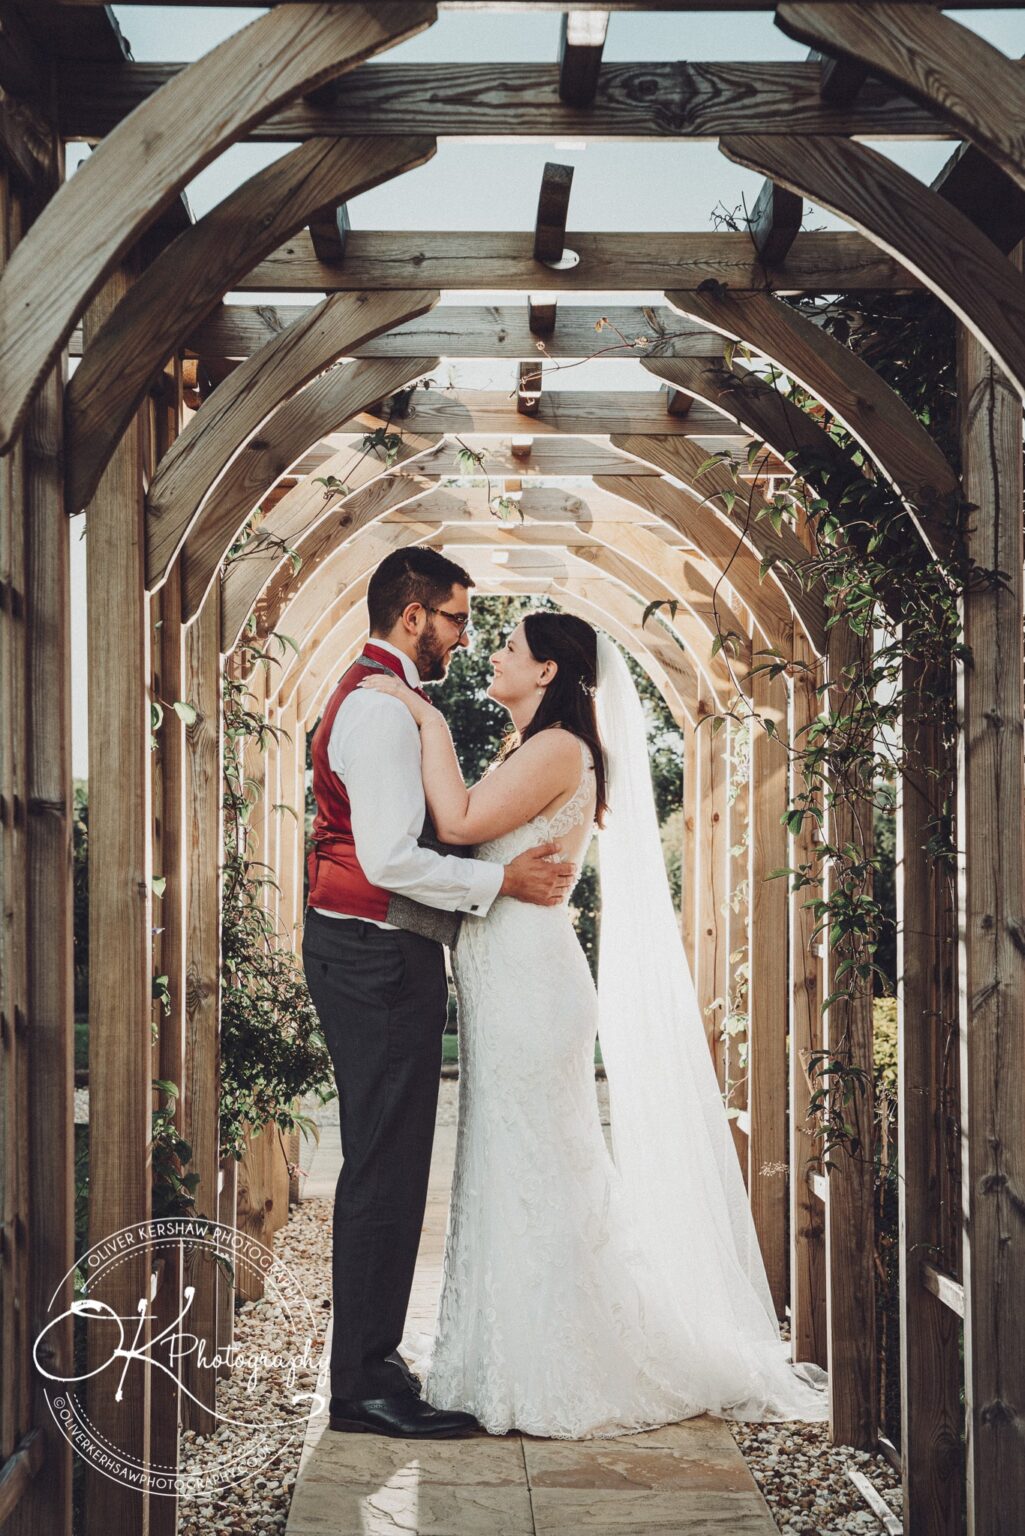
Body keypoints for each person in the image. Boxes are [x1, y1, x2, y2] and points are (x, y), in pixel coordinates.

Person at [359, 608, 830, 1438]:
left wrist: (424, 718)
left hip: (531, 988)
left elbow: (460, 824)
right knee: (510, 1168)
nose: (490, 656)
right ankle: (500, 1353)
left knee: (538, 1169)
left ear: (546, 672)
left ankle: (556, 1362)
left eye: (507, 647)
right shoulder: (530, 747)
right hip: (507, 982)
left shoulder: (556, 750)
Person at [301, 550, 577, 1441]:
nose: (464, 637)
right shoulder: (383, 712)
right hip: (375, 953)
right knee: (385, 1162)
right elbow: (386, 860)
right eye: (457, 619)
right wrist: (496, 888)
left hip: (375, 952)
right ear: (413, 616)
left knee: (389, 1157)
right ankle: (364, 1386)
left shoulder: (382, 698)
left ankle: (371, 1365)